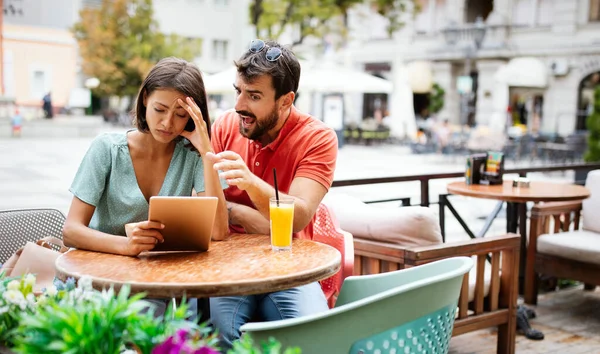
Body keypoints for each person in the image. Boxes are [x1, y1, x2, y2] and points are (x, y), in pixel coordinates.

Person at [206, 39, 338, 349]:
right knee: (220, 338)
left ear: (285, 100)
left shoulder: (317, 138)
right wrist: (240, 215)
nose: (239, 105)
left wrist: (249, 183)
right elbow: (208, 207)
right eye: (238, 91)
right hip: (229, 262)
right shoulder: (227, 125)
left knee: (317, 341)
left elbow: (298, 216)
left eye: (253, 96)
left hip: (290, 264)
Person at [62, 57, 229, 257]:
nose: (167, 123)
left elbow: (218, 231)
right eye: (160, 109)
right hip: (100, 274)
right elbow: (71, 231)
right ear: (145, 99)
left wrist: (206, 152)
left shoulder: (193, 155)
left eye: (181, 114)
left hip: (159, 275)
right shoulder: (107, 149)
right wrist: (125, 245)